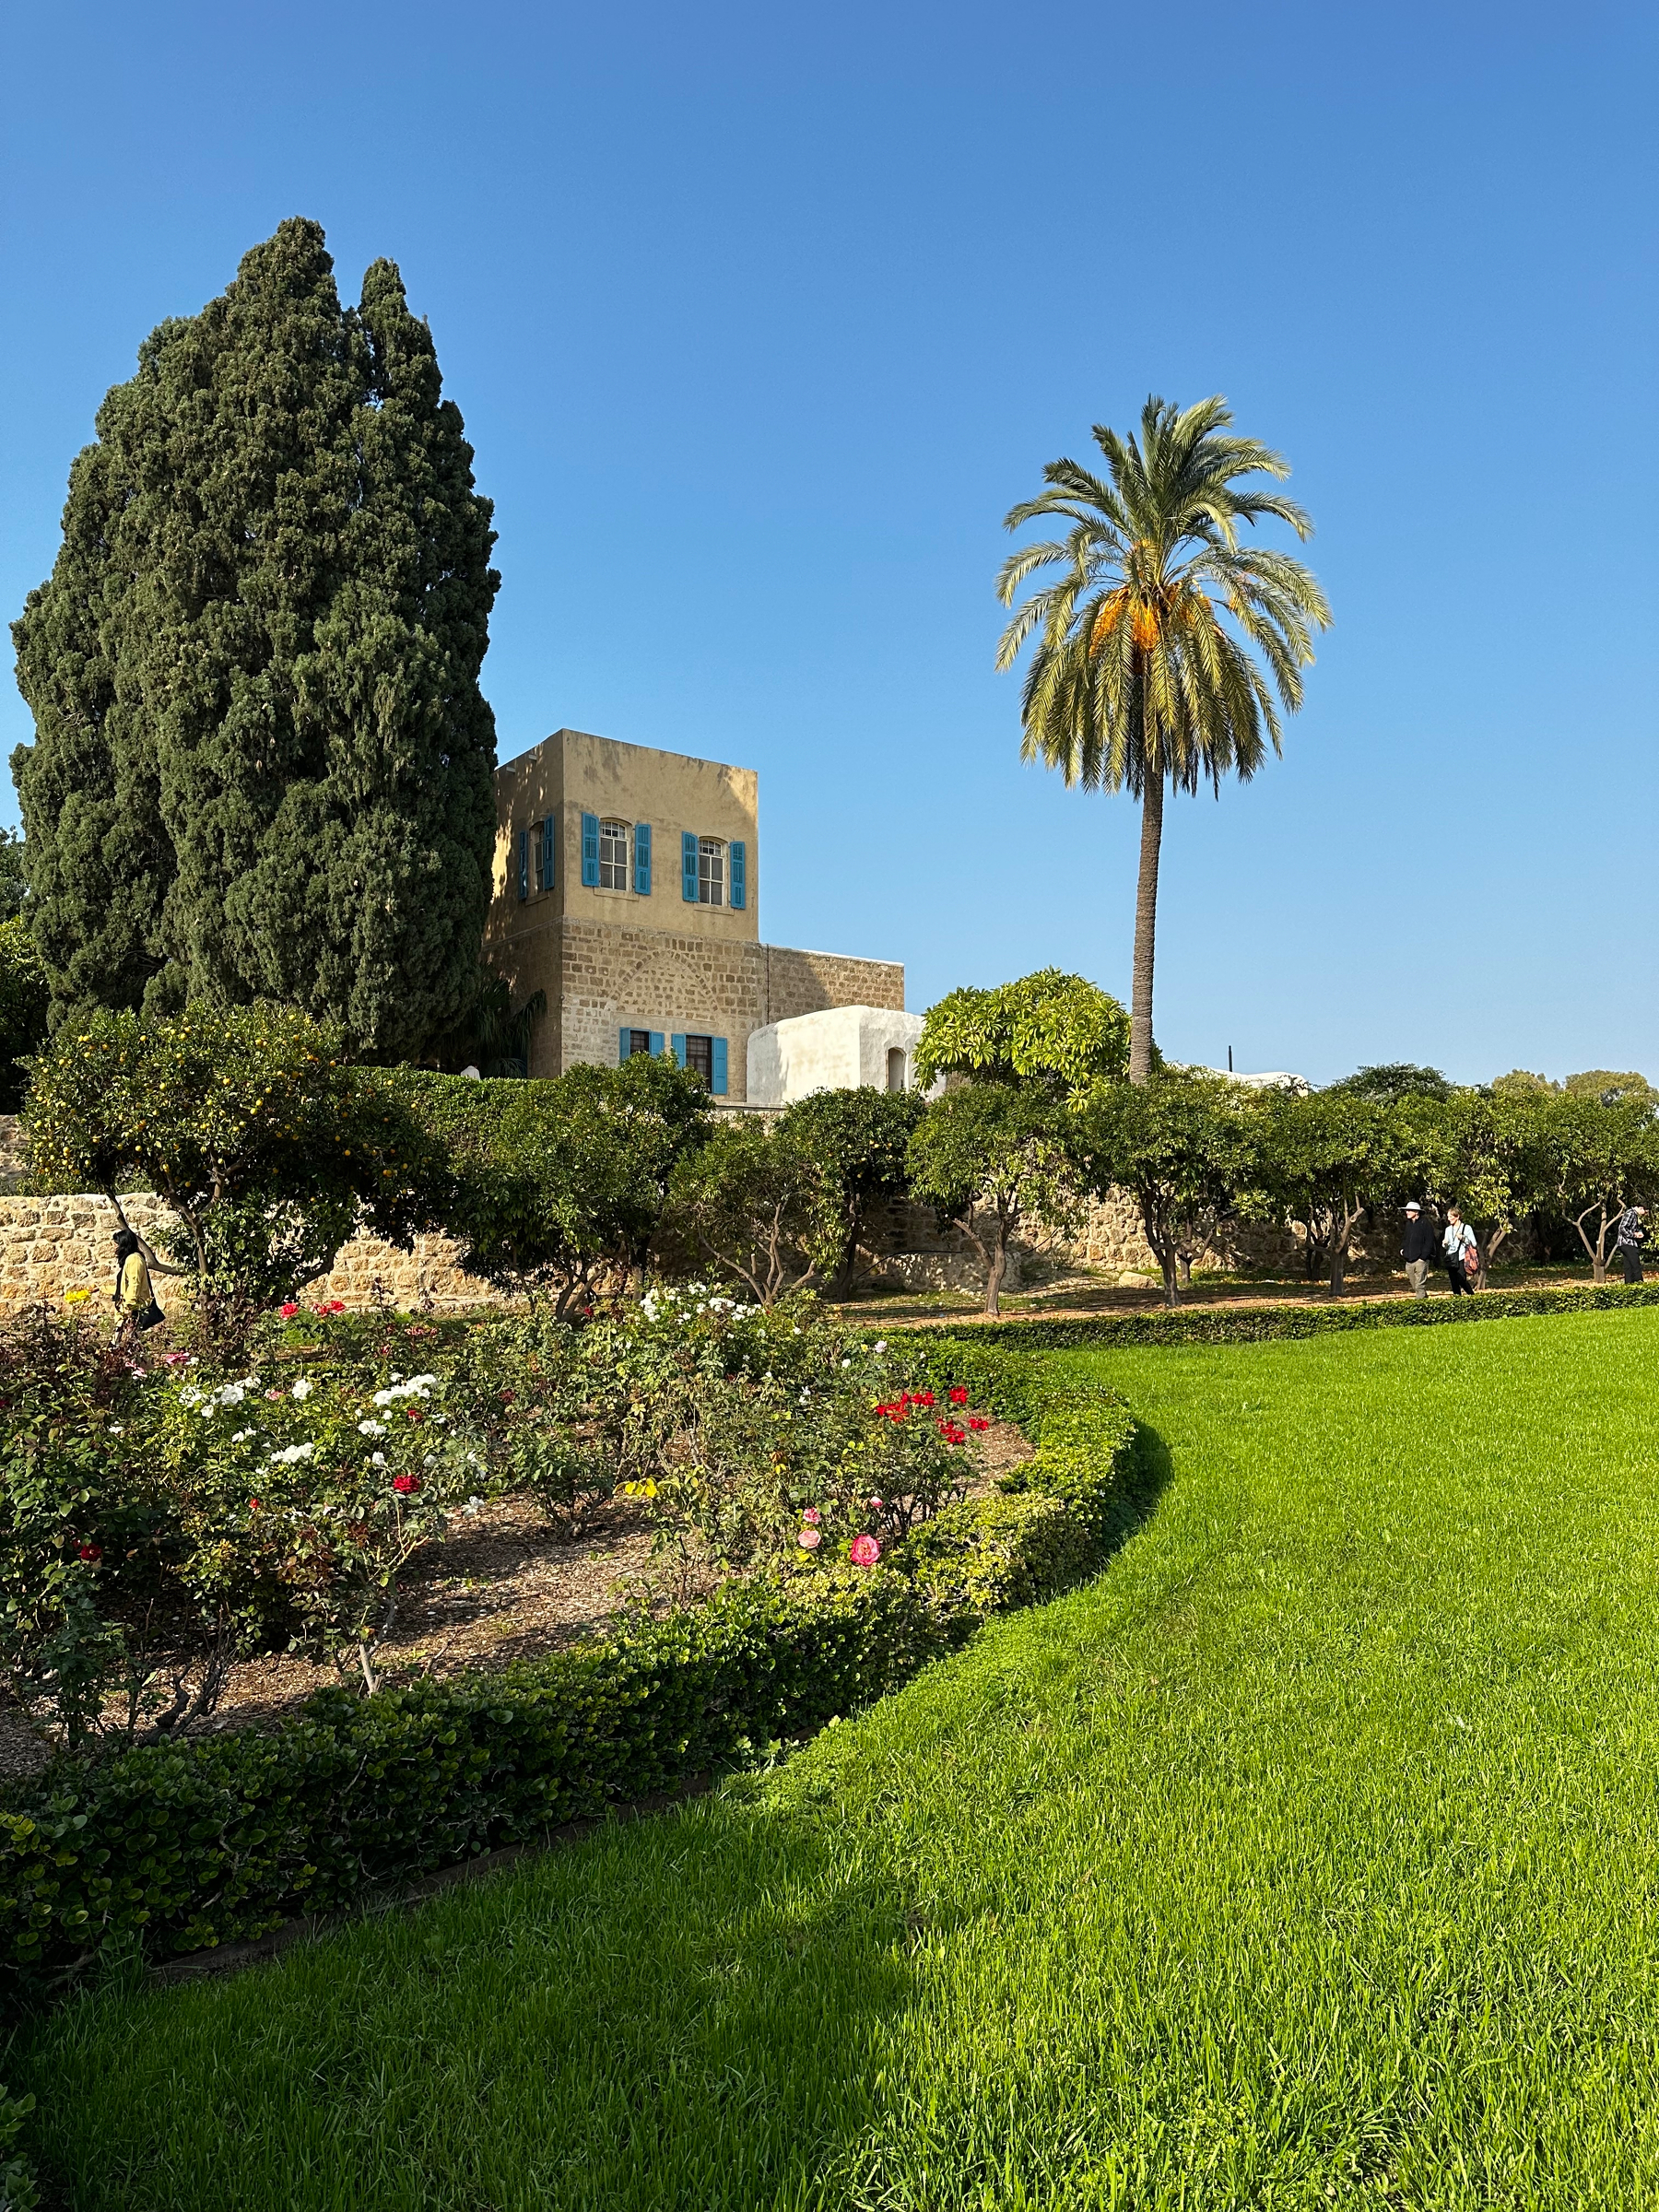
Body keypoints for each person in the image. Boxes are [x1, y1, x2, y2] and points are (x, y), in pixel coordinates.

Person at [111, 1227, 154, 1347]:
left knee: (127, 1345)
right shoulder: (131, 1259)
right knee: (128, 1345)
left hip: (132, 1309)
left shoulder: (134, 1259)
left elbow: (135, 1285)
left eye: (117, 1244)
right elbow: (124, 1286)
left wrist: (129, 1307)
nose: (115, 1248)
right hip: (128, 1308)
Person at [1402, 1201, 1438, 1300]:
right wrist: (1403, 1250)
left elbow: (1429, 1241)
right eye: (1407, 1210)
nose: (1407, 1212)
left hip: (1421, 1260)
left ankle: (1420, 1305)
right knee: (1414, 1285)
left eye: (1409, 1210)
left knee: (1419, 1285)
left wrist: (1423, 1257)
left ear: (1416, 1212)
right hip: (1409, 1259)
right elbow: (1405, 1238)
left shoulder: (1425, 1224)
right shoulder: (1408, 1224)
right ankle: (1424, 1298)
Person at [1442, 1206, 1477, 1296]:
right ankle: (1457, 1299)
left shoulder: (1466, 1228)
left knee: (1461, 1279)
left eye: (1451, 1216)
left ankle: (1471, 1295)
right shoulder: (1448, 1230)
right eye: (1448, 1217)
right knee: (1453, 1281)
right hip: (1451, 1257)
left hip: (1462, 1257)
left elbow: (1474, 1243)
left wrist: (1463, 1238)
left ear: (1457, 1216)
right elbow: (1446, 1247)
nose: (1449, 1219)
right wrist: (1445, 1244)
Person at [1617, 1203, 1648, 1285]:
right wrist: (1634, 1235)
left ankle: (1629, 1285)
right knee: (1636, 1265)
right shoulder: (1630, 1213)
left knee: (1629, 1267)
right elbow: (1622, 1228)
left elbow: (1633, 1227)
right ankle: (1639, 1284)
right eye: (1645, 1211)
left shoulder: (1634, 1215)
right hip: (1627, 1243)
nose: (1645, 1214)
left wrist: (1639, 1232)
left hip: (1627, 1243)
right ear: (1641, 1208)